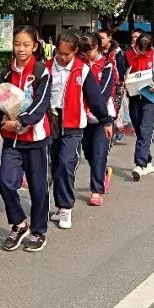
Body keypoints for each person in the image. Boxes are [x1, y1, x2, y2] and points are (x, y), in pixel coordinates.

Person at [0, 25, 52, 254]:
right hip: (11, 140)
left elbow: (40, 104)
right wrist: (1, 121)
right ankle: (19, 223)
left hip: (35, 138)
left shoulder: (41, 71)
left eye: (26, 44)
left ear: (35, 46)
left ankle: (38, 231)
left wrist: (19, 122)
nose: (21, 49)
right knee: (5, 182)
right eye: (17, 44)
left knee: (38, 189)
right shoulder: (7, 72)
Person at [46, 31, 106, 230]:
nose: (62, 58)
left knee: (65, 163)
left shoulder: (83, 70)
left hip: (73, 124)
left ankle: (66, 207)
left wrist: (106, 120)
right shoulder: (46, 68)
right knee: (54, 164)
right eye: (59, 53)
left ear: (75, 52)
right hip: (51, 121)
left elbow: (95, 97)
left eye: (67, 54)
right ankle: (58, 205)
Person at [80, 32, 115, 207]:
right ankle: (102, 174)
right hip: (83, 116)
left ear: (96, 47)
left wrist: (105, 119)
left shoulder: (107, 66)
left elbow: (103, 94)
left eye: (89, 50)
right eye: (82, 51)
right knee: (88, 152)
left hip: (102, 116)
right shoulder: (79, 64)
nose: (86, 54)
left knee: (99, 153)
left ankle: (96, 190)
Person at [125, 33, 154, 180]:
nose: (141, 53)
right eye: (139, 49)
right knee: (139, 130)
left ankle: (139, 164)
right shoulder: (127, 56)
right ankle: (148, 160)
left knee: (146, 129)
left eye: (144, 51)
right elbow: (121, 73)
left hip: (149, 98)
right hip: (134, 97)